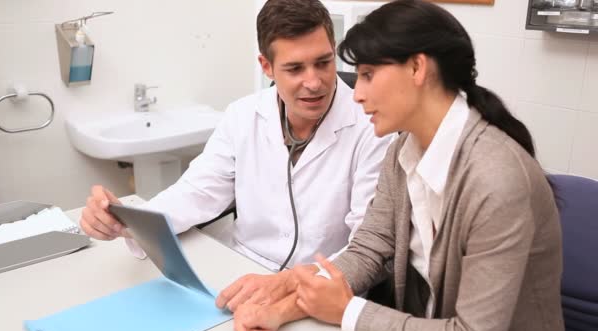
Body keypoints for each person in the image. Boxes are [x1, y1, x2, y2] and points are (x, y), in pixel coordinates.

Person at [232, 1, 566, 331]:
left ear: (417, 69)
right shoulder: (403, 152)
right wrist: (281, 305)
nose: (357, 94)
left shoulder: (496, 180)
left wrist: (349, 312)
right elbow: (368, 250)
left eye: (367, 75)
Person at [79, 0, 391, 313]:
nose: (314, 82)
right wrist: (128, 222)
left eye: (323, 63)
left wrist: (293, 284)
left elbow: (366, 248)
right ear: (266, 66)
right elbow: (198, 191)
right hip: (239, 273)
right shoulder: (243, 116)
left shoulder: (373, 125)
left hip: (320, 293)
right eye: (294, 68)